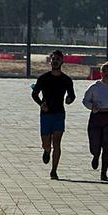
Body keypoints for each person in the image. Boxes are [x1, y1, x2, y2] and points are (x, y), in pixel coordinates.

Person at [31, 50, 76, 180]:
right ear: (50, 61)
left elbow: (72, 95)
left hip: (59, 114)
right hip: (46, 114)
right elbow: (34, 94)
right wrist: (41, 103)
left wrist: (69, 99)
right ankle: (46, 150)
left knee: (57, 142)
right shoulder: (43, 78)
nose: (55, 61)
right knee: (46, 143)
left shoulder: (66, 80)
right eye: (53, 59)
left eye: (58, 59)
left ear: (62, 61)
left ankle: (54, 170)